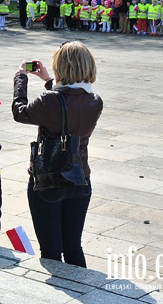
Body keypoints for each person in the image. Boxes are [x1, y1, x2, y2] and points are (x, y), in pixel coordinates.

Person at [12, 41, 103, 267]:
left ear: (60, 67)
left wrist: (20, 77)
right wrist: (47, 81)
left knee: (51, 249)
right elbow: (69, 101)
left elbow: (20, 112)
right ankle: (84, 289)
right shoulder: (95, 101)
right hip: (80, 179)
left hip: (47, 180)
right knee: (73, 246)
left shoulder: (49, 100)